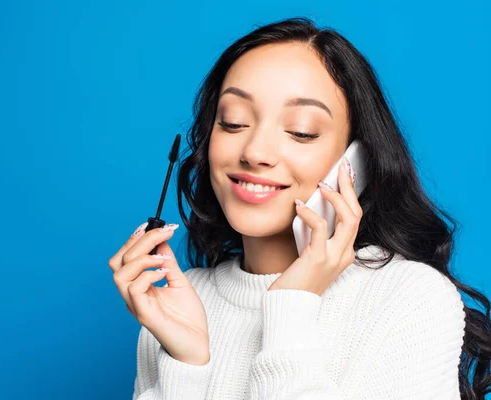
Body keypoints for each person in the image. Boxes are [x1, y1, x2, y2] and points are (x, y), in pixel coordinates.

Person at [108, 17, 491, 399]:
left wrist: (292, 306)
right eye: (234, 122)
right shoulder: (179, 301)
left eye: (301, 131)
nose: (255, 152)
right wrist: (186, 363)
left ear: (355, 161)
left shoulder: (408, 298)